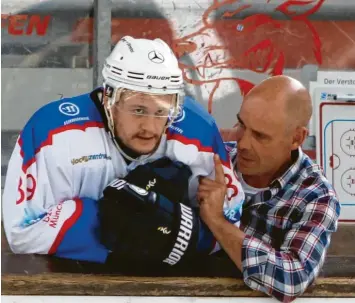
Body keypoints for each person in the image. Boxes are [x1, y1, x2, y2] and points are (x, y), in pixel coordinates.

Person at [2, 36, 244, 265]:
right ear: (109, 100)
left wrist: (183, 230)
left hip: (166, 283)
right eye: (138, 110)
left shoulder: (198, 130)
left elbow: (230, 223)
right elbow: (20, 231)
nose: (149, 127)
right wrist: (106, 220)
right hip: (69, 281)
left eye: (161, 111)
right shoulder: (52, 132)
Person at [197, 75, 340, 303]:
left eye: (260, 136)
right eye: (242, 125)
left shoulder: (315, 195)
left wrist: (217, 221)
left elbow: (292, 278)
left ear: (296, 138)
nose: (243, 143)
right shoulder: (211, 161)